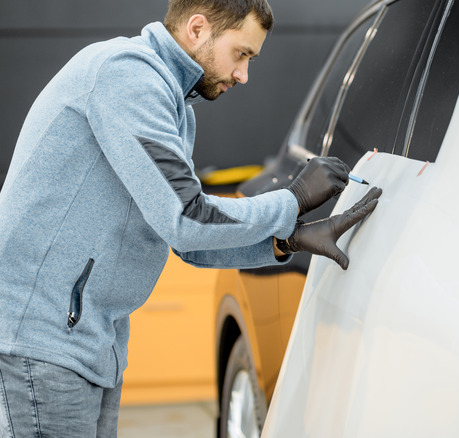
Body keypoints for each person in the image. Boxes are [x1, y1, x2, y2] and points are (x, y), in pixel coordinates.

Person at [0, 0, 381, 436]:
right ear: (197, 28)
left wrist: (283, 242)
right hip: (45, 339)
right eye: (242, 54)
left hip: (90, 341)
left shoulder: (174, 106)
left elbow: (189, 242)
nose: (243, 75)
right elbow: (188, 216)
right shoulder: (128, 77)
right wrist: (292, 200)